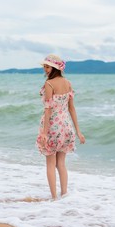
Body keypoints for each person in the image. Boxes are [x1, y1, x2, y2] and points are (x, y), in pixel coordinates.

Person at [36, 54, 85, 200]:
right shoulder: (68, 83)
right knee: (61, 164)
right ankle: (64, 195)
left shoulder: (49, 84)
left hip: (52, 126)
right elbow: (72, 108)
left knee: (51, 164)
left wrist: (44, 133)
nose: (45, 69)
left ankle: (54, 198)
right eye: (44, 66)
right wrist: (78, 131)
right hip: (66, 126)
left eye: (47, 67)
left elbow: (48, 109)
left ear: (55, 68)